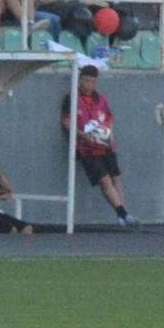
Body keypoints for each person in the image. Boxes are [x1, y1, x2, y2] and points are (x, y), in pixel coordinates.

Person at [67, 51, 132, 226]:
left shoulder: (100, 99)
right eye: (86, 80)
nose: (89, 84)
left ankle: (124, 214)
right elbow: (66, 122)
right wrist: (84, 136)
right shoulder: (72, 98)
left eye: (92, 81)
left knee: (115, 178)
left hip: (106, 146)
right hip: (87, 148)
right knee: (104, 180)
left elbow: (109, 119)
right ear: (80, 80)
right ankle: (122, 214)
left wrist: (108, 135)